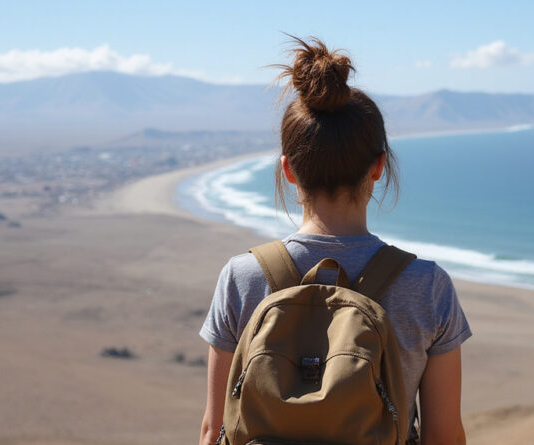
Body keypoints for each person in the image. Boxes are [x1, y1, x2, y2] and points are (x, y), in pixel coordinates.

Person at [199, 36, 471, 445]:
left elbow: (214, 430)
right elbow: (444, 437)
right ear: (378, 166)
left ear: (288, 170)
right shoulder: (427, 286)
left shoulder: (242, 277)